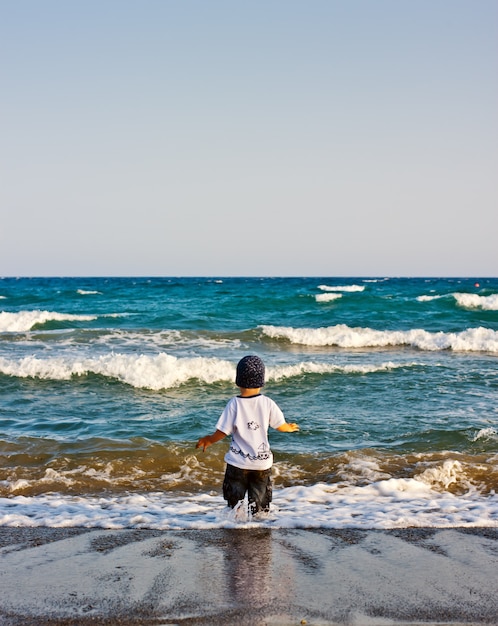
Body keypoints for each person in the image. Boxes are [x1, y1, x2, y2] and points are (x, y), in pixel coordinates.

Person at [196, 355, 299, 514]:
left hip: (237, 463)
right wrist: (289, 427)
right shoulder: (267, 403)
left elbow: (223, 431)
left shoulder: (234, 404)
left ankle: (234, 523)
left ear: (238, 380)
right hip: (261, 464)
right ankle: (258, 527)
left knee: (234, 501)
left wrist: (209, 440)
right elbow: (280, 426)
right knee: (260, 502)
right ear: (262, 381)